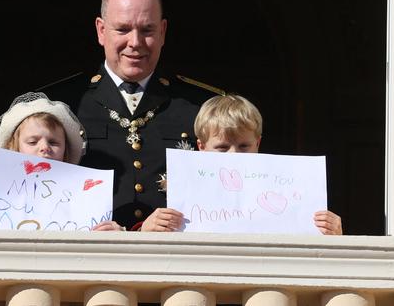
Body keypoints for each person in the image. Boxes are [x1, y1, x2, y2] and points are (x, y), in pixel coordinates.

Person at [42, 0, 220, 229]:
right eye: (123, 29)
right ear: (101, 31)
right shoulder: (58, 104)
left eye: (147, 30)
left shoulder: (201, 107)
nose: (135, 43)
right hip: (85, 261)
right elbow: (20, 186)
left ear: (163, 32)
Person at [141, 93, 343, 235]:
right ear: (201, 147)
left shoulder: (283, 186)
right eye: (222, 147)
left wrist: (333, 235)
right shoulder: (184, 193)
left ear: (258, 143)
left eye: (244, 146)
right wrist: (146, 230)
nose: (233, 155)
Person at [0, 91, 123, 231]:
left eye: (53, 142)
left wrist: (114, 236)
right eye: (32, 141)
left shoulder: (84, 200)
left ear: (66, 152)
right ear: (14, 148)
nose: (44, 147)